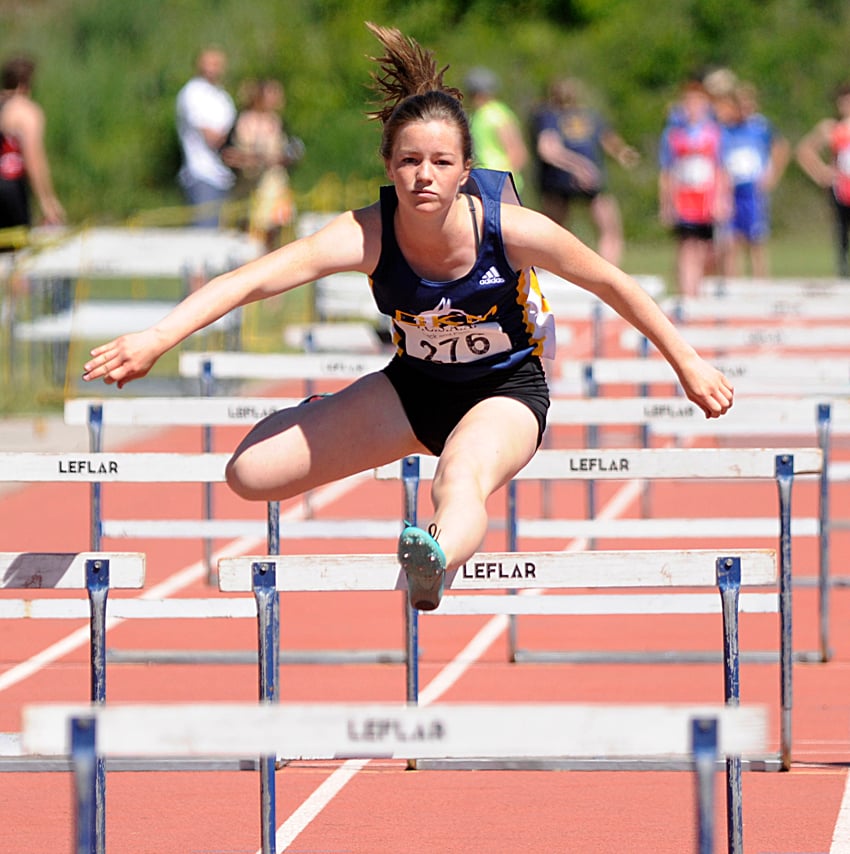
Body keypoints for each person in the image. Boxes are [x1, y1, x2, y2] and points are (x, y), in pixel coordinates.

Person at [83, 23, 734, 612]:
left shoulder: (509, 229)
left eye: (441, 163)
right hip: (411, 388)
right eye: (410, 162)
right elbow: (254, 279)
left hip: (504, 391)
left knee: (460, 477)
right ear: (389, 167)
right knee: (249, 474)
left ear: (465, 172)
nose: (424, 176)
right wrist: (156, 337)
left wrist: (688, 363)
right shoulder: (365, 233)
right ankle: (324, 415)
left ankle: (433, 560)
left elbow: (614, 283)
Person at [530, 76, 639, 266]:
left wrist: (623, 152)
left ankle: (550, 269)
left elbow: (608, 140)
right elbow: (548, 149)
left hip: (565, 180)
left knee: (555, 230)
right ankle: (605, 270)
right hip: (568, 178)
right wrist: (579, 166)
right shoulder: (552, 117)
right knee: (607, 230)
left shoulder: (574, 116)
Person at [658, 78, 730, 296]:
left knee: (710, 251)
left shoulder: (716, 134)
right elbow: (667, 172)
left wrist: (722, 199)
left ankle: (701, 289)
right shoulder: (673, 135)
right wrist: (666, 203)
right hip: (684, 198)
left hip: (707, 199)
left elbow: (722, 169)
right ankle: (687, 294)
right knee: (687, 247)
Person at [713, 83, 790, 278]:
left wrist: (772, 175)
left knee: (756, 240)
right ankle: (732, 284)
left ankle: (760, 282)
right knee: (731, 241)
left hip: (752, 190)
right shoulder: (724, 129)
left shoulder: (760, 126)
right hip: (731, 190)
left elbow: (781, 147)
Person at [223, 77, 304, 251]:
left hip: (274, 185)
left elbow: (290, 152)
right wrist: (252, 159)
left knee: (276, 229)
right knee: (251, 231)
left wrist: (284, 157)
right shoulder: (244, 120)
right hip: (250, 185)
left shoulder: (277, 121)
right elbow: (228, 154)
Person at [0, 55, 64, 251]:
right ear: (26, 83)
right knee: (18, 256)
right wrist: (47, 201)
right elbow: (34, 159)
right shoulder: (26, 111)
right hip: (9, 188)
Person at [175, 46, 237, 228]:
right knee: (204, 235)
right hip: (202, 173)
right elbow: (212, 137)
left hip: (224, 176)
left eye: (217, 63)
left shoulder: (222, 95)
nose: (213, 68)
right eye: (209, 62)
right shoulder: (193, 93)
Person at [795, 82, 850, 278]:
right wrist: (821, 173)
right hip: (841, 188)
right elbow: (804, 150)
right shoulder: (832, 127)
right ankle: (842, 268)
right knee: (841, 229)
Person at [464, 67, 528, 193]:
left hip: (500, 179)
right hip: (483, 179)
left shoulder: (496, 113)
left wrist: (508, 177)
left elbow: (515, 150)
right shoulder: (479, 115)